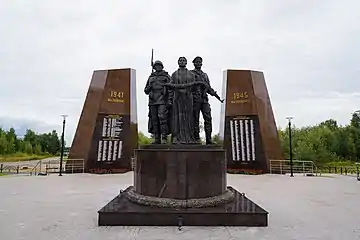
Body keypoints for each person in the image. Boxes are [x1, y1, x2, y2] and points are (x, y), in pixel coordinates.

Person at [191, 56, 224, 144]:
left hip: (204, 99)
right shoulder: (191, 74)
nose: (199, 63)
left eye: (200, 62)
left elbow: (208, 87)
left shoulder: (204, 75)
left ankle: (209, 139)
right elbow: (189, 85)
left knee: (208, 118)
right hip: (195, 99)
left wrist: (216, 95)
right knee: (195, 119)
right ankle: (196, 138)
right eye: (197, 62)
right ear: (194, 63)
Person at [167, 57, 198, 144]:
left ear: (186, 62)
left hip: (188, 97)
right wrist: (170, 99)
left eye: (183, 60)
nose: (182, 62)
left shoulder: (191, 74)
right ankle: (176, 137)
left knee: (189, 117)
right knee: (177, 117)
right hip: (177, 98)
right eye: (180, 60)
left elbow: (194, 87)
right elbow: (170, 87)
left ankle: (189, 138)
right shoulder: (174, 74)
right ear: (178, 62)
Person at [144, 60, 171, 144]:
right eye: (156, 66)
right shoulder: (150, 77)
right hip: (152, 101)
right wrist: (149, 86)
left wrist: (169, 99)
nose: (158, 67)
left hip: (162, 99)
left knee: (162, 118)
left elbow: (171, 88)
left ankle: (164, 137)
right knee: (154, 120)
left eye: (159, 65)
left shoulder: (166, 76)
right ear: (154, 67)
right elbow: (145, 91)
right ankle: (157, 138)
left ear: (162, 67)